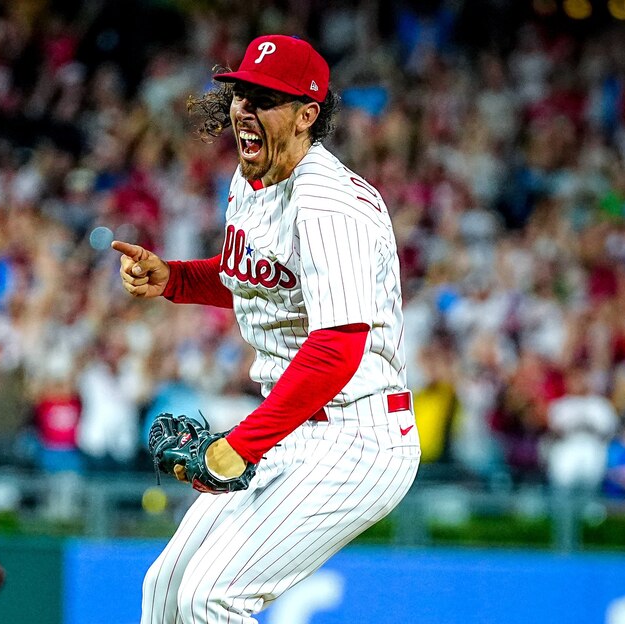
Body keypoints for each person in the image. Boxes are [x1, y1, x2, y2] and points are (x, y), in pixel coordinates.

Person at [113, 34, 420, 624]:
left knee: (210, 597)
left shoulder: (329, 203)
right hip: (296, 425)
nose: (245, 111)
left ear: (308, 116)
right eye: (242, 94)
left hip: (356, 435)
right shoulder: (252, 179)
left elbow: (337, 348)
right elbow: (255, 279)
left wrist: (241, 444)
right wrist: (172, 277)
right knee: (164, 588)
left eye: (267, 100)